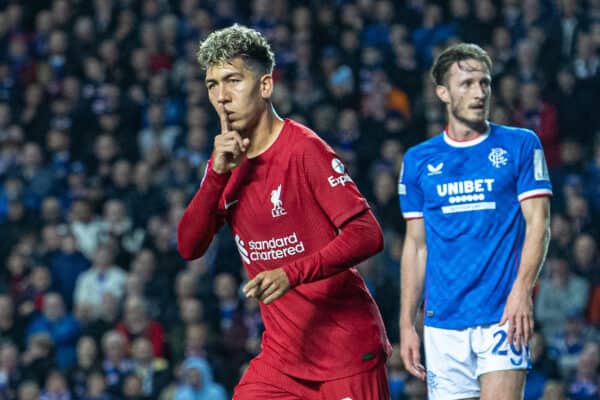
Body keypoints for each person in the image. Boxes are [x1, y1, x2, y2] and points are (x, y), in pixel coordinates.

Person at [177, 24, 391, 399]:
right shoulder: (224, 164)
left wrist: (291, 274)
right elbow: (188, 246)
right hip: (283, 359)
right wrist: (215, 176)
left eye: (233, 80)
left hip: (344, 351)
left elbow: (368, 233)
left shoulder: (305, 150)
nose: (222, 96)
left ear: (264, 86)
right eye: (213, 85)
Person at [398, 43, 552, 400]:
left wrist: (521, 291)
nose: (479, 92)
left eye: (485, 83)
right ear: (443, 93)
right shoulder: (418, 160)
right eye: (466, 83)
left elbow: (538, 224)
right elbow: (416, 246)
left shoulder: (521, 145)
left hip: (502, 316)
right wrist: (407, 322)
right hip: (441, 323)